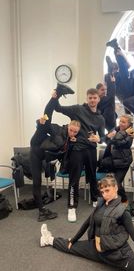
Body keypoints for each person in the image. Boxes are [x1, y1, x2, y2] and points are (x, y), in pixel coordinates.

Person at [53, 88, 105, 222]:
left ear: (98, 99)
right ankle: (71, 207)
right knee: (74, 179)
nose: (92, 100)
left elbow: (103, 137)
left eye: (95, 98)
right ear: (87, 98)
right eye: (90, 98)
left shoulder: (100, 118)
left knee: (92, 176)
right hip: (77, 150)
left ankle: (95, 199)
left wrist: (99, 139)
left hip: (91, 150)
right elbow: (58, 108)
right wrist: (56, 96)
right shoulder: (77, 109)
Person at [30, 83, 80, 222]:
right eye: (71, 130)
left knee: (37, 182)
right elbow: (46, 126)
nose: (72, 133)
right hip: (37, 143)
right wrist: (40, 123)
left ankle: (41, 211)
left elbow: (64, 156)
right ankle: (57, 93)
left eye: (75, 132)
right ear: (68, 127)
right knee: (45, 121)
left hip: (41, 152)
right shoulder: (60, 129)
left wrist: (70, 145)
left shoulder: (69, 141)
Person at [100, 114, 133, 203]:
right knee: (110, 183)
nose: (121, 124)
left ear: (129, 124)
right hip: (113, 161)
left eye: (124, 122)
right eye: (120, 121)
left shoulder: (131, 133)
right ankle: (112, 201)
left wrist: (112, 137)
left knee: (117, 183)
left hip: (123, 162)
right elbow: (107, 140)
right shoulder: (116, 129)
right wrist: (109, 137)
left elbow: (120, 143)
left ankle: (125, 200)